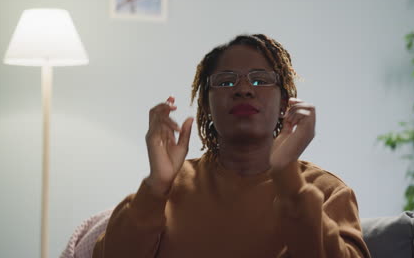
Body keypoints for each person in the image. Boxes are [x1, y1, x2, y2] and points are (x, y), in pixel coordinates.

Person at [92, 34, 371, 258]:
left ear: (285, 104)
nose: (243, 89)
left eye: (260, 80)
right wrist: (155, 186)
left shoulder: (327, 192)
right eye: (226, 82)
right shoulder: (168, 188)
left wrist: (288, 179)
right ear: (207, 106)